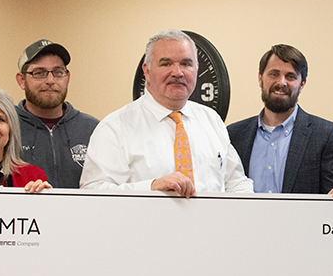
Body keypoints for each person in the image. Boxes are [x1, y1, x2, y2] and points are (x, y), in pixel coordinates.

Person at [80, 29, 253, 197]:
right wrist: (151, 187)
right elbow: (94, 191)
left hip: (210, 225)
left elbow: (236, 183)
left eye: (186, 64)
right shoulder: (115, 127)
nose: (177, 72)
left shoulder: (211, 120)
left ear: (197, 69)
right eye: (166, 63)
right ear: (146, 71)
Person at [227, 44, 333, 194]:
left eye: (290, 76)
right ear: (260, 78)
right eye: (274, 74)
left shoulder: (327, 136)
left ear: (302, 84)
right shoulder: (234, 134)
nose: (281, 82)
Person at [15, 39, 99, 188]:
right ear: (21, 80)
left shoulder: (93, 129)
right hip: (23, 211)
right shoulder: (5, 127)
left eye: (58, 72)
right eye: (39, 73)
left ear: (67, 78)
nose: (50, 80)